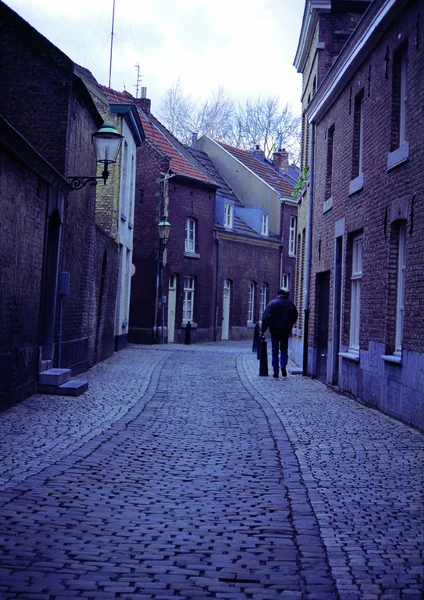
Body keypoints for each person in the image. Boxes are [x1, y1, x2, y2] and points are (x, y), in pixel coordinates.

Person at [261, 289, 298, 379]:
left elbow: (266, 318)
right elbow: (295, 316)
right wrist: (290, 325)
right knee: (284, 349)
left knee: (275, 350)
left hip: (274, 331)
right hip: (285, 331)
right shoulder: (290, 304)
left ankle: (275, 371)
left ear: (277, 294)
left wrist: (262, 330)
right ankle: (283, 365)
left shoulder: (272, 304)